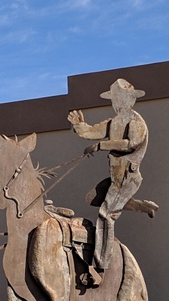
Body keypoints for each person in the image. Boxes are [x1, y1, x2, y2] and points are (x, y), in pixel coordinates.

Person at [67, 78, 157, 279]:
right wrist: (79, 125)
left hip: (128, 177)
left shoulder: (136, 123)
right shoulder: (113, 122)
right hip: (115, 178)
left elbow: (130, 144)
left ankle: (100, 267)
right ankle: (143, 206)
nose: (116, 102)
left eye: (119, 98)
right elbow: (92, 132)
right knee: (95, 199)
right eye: (114, 98)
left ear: (129, 100)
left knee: (105, 215)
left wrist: (102, 146)